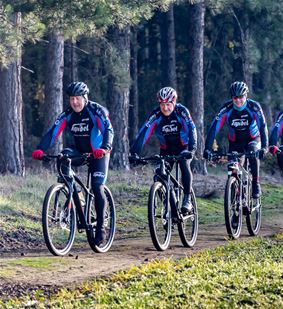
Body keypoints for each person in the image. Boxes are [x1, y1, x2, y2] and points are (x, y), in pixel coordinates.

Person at [31, 82, 114, 246]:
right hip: (79, 151)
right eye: (71, 99)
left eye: (77, 98)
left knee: (97, 188)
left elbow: (108, 130)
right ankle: (75, 195)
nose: (75, 102)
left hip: (99, 153)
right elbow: (52, 133)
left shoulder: (96, 111)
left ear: (85, 98)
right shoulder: (67, 114)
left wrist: (105, 148)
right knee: (62, 157)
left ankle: (101, 227)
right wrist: (40, 149)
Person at [130, 87, 198, 213]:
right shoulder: (156, 115)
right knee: (159, 176)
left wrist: (192, 149)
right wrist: (134, 152)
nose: (165, 108)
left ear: (174, 103)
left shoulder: (181, 111)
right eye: (162, 104)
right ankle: (170, 206)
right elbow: (144, 132)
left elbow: (192, 128)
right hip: (166, 150)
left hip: (184, 148)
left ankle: (187, 198)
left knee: (184, 164)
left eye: (168, 104)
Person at [204, 81, 268, 198]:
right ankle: (235, 199)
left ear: (246, 96)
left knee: (252, 151)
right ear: (231, 97)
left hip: (253, 139)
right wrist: (207, 149)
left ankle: (255, 183)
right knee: (232, 169)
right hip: (235, 142)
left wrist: (264, 147)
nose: (238, 100)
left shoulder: (253, 107)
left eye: (241, 97)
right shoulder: (226, 108)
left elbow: (263, 127)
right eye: (235, 97)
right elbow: (214, 128)